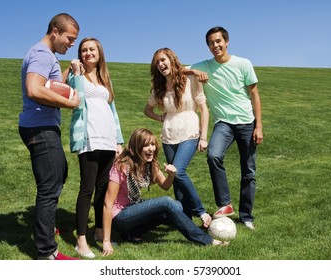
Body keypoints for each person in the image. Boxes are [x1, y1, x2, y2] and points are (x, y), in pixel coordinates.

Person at [102, 128, 228, 256]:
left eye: (152, 144)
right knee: (166, 203)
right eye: (146, 145)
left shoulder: (150, 165)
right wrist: (106, 240)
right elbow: (108, 204)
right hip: (120, 216)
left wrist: (171, 175)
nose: (151, 148)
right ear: (136, 147)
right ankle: (205, 239)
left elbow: (165, 185)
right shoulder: (121, 167)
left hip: (133, 208)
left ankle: (132, 232)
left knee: (176, 206)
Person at [18, 13, 81, 260]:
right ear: (55, 31)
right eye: (69, 38)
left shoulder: (46, 56)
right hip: (40, 128)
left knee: (59, 173)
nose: (71, 43)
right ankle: (47, 252)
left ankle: (46, 228)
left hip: (40, 127)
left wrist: (64, 73)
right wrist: (70, 103)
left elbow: (47, 85)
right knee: (49, 187)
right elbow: (34, 89)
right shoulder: (42, 54)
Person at [189, 26, 263, 230]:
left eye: (218, 41)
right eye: (211, 43)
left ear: (226, 42)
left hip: (247, 123)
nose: (215, 46)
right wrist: (194, 71)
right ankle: (225, 204)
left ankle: (246, 216)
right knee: (213, 155)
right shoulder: (204, 66)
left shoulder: (243, 63)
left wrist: (259, 126)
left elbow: (255, 95)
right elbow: (177, 69)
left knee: (248, 171)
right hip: (223, 123)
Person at [63, 37, 124, 258]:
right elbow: (76, 99)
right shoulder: (75, 75)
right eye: (84, 50)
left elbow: (113, 112)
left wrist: (118, 141)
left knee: (102, 189)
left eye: (92, 49)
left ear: (99, 53)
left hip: (108, 139)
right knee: (87, 188)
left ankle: (99, 231)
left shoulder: (105, 78)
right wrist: (77, 73)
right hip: (88, 137)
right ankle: (81, 240)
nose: (88, 53)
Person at [144, 48, 212, 228]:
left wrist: (203, 137)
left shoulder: (190, 78)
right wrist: (160, 118)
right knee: (174, 178)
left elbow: (204, 109)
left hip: (190, 130)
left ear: (172, 60)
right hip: (168, 135)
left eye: (163, 60)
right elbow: (147, 110)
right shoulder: (159, 87)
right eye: (157, 62)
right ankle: (184, 218)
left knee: (178, 171)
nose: (160, 64)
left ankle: (201, 211)